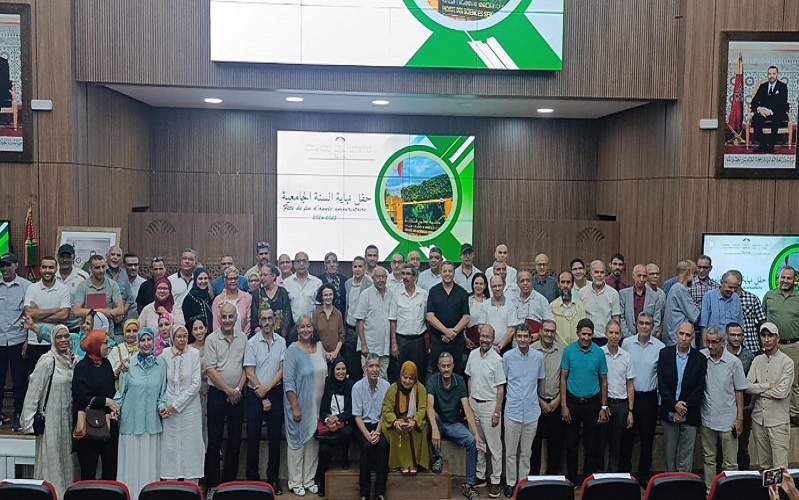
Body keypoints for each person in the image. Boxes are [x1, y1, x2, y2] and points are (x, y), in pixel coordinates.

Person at [20, 324, 76, 497]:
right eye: (59, 337)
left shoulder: (71, 361)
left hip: (67, 420)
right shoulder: (47, 361)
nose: (63, 340)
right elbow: (34, 391)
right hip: (50, 419)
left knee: (65, 461)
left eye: (66, 336)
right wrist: (28, 422)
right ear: (52, 340)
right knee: (50, 461)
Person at [114, 327, 167, 499]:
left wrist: (163, 407)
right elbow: (121, 393)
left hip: (151, 424)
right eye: (142, 340)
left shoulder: (161, 365)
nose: (146, 344)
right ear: (138, 343)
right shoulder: (128, 365)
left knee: (149, 464)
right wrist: (114, 409)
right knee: (131, 464)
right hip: (131, 423)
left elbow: (162, 393)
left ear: (153, 341)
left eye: (149, 340)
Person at [427, 352, 482, 500]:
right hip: (438, 422)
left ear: (453, 366)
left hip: (453, 424)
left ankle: (469, 485)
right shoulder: (432, 380)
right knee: (432, 416)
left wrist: (476, 434)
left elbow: (467, 408)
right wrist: (435, 429)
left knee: (471, 441)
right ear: (438, 367)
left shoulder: (459, 381)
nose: (446, 369)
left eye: (448, 366)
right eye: (443, 366)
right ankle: (437, 457)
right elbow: (429, 405)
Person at [560, 318, 609, 484]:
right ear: (578, 333)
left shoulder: (599, 353)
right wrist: (564, 405)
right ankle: (572, 480)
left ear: (593, 334)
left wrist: (603, 406)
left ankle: (588, 481)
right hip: (572, 402)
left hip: (593, 403)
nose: (586, 338)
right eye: (583, 334)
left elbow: (604, 381)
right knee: (571, 444)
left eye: (589, 334)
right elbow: (563, 378)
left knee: (591, 444)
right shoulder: (568, 351)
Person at [204, 303, 247, 487]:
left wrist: (237, 390)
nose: (227, 320)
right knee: (214, 440)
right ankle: (212, 484)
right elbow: (210, 370)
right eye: (224, 316)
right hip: (217, 395)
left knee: (235, 440)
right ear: (219, 318)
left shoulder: (243, 338)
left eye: (231, 316)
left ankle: (230, 483)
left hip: (238, 395)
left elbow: (247, 367)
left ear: (236, 318)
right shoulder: (211, 339)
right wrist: (228, 390)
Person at [283, 315, 327, 496]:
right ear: (297, 330)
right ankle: (295, 482)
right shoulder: (292, 350)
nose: (306, 329)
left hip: (318, 405)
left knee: (312, 442)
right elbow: (288, 382)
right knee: (297, 442)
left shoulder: (319, 347)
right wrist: (295, 406)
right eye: (302, 327)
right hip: (299, 404)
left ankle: (308, 479)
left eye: (309, 326)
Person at [244, 307, 286, 493]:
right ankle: (252, 480)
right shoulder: (251, 343)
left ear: (274, 321)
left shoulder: (282, 342)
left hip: (274, 392)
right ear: (259, 321)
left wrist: (267, 391)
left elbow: (282, 370)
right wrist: (261, 394)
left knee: (275, 438)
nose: (267, 322)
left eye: (270, 318)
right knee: (252, 437)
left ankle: (273, 479)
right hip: (254, 393)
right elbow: (249, 372)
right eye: (264, 319)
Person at [699, 326, 746, 490]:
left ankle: (730, 493)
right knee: (709, 459)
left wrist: (740, 419)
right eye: (708, 342)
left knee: (730, 462)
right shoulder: (701, 357)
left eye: (714, 342)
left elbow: (739, 391)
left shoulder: (734, 362)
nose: (710, 346)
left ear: (722, 342)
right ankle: (709, 492)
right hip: (707, 418)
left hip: (728, 419)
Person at [620, 312, 664, 486]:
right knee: (627, 439)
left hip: (649, 398)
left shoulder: (660, 347)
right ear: (636, 324)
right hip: (630, 397)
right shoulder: (627, 343)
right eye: (641, 323)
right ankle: (625, 475)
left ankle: (644, 476)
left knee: (647, 440)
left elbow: (660, 376)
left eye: (648, 323)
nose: (644, 326)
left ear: (652, 327)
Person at [502, 323, 545, 498]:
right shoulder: (507, 357)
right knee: (511, 452)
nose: (522, 339)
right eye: (519, 336)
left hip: (532, 412)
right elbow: (504, 382)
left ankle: (523, 484)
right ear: (515, 338)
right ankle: (511, 483)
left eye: (525, 336)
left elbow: (540, 381)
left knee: (526, 453)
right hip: (512, 411)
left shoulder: (538, 357)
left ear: (530, 338)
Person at [657, 322, 707, 472]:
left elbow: (699, 388)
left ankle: (684, 483)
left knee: (686, 457)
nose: (684, 338)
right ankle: (670, 483)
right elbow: (662, 384)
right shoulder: (665, 354)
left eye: (688, 335)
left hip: (690, 413)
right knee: (669, 455)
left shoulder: (700, 358)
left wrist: (683, 408)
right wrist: (674, 405)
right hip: (669, 411)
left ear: (692, 338)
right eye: (681, 334)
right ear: (676, 334)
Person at [159, 325, 204, 483]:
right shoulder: (165, 354)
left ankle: (191, 484)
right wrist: (165, 406)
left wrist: (176, 405)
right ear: (173, 337)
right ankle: (171, 484)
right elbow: (161, 381)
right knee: (170, 446)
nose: (182, 339)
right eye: (179, 336)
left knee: (191, 445)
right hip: (169, 408)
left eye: (185, 336)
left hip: (190, 408)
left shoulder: (194, 353)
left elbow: (196, 385)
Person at [746, 322, 794, 469]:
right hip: (758, 420)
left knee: (780, 468)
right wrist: (767, 386)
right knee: (764, 467)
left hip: (778, 421)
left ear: (777, 338)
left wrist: (758, 389)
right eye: (763, 335)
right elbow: (747, 386)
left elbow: (781, 392)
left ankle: (781, 487)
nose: (766, 339)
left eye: (770, 336)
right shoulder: (757, 360)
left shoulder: (787, 362)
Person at [72, 330, 119, 480]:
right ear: (95, 345)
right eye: (105, 343)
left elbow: (111, 391)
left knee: (110, 470)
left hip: (108, 424)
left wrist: (113, 408)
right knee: (88, 471)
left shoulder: (106, 364)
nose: (108, 346)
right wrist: (105, 401)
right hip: (88, 426)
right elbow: (80, 397)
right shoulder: (81, 367)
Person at [465, 324, 505, 497]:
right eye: (482, 336)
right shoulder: (472, 355)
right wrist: (469, 401)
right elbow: (469, 379)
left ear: (493, 338)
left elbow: (501, 388)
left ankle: (495, 481)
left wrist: (497, 412)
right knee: (479, 444)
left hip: (490, 406)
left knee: (494, 446)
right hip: (474, 403)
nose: (484, 339)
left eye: (488, 337)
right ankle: (480, 476)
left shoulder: (497, 360)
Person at [762, 266, 799, 420]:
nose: (785, 280)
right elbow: (762, 318)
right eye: (783, 277)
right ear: (778, 278)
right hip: (772, 346)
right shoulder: (769, 295)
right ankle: (772, 412)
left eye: (789, 278)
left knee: (794, 381)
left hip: (793, 345)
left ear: (794, 280)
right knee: (772, 379)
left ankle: (793, 414)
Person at [0, 252, 32, 431]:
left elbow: (30, 315)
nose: (5, 268)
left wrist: (28, 340)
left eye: (8, 265)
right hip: (0, 340)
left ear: (16, 265)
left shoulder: (27, 286)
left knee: (20, 380)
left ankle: (18, 413)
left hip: (18, 340)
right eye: (2, 265)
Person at [598, 321, 635, 473]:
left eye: (616, 333)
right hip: (603, 404)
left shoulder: (626, 356)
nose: (614, 336)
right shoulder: (599, 353)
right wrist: (602, 406)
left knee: (617, 444)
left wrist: (630, 411)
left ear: (620, 336)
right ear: (606, 334)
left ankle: (614, 476)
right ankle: (600, 476)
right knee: (601, 442)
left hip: (621, 405)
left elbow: (630, 384)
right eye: (611, 332)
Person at [352, 354, 390, 500]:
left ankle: (380, 491)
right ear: (365, 368)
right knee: (366, 447)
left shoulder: (386, 386)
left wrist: (378, 432)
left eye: (377, 366)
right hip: (363, 425)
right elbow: (357, 416)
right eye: (371, 366)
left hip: (380, 424)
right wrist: (367, 435)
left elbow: (385, 413)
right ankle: (364, 492)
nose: (374, 369)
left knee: (383, 446)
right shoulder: (357, 387)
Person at [23, 256, 70, 371]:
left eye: (51, 267)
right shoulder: (32, 288)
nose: (47, 270)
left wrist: (37, 316)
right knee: (35, 377)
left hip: (56, 342)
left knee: (56, 378)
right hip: (35, 342)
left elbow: (64, 315)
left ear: (56, 269)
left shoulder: (64, 289)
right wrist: (55, 310)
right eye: (44, 267)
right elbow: (28, 312)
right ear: (40, 269)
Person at [316, 358, 354, 496]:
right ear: (333, 371)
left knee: (347, 432)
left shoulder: (351, 385)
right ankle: (321, 483)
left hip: (344, 423)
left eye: (343, 369)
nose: (341, 372)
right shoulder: (328, 385)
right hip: (329, 426)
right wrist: (328, 420)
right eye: (338, 369)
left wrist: (339, 418)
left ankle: (344, 456)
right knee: (323, 451)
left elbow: (351, 410)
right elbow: (322, 410)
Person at [530, 320, 564, 477]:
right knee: (534, 442)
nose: (549, 334)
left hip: (555, 402)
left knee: (555, 443)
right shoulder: (531, 350)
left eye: (552, 331)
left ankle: (552, 477)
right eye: (546, 330)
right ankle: (534, 476)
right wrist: (540, 401)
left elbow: (565, 378)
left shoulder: (562, 351)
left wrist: (558, 399)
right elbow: (528, 380)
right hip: (536, 402)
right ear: (540, 331)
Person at [383, 361, 430, 474]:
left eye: (411, 378)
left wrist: (414, 421)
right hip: (396, 420)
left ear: (415, 379)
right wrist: (395, 422)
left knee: (418, 430)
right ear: (401, 376)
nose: (407, 381)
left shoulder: (420, 389)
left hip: (414, 420)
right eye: (405, 377)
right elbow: (387, 409)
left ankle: (415, 464)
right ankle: (400, 464)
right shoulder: (393, 388)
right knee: (397, 431)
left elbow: (422, 409)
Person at [426, 261, 471, 375]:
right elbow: (430, 316)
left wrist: (453, 333)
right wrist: (446, 331)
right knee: (437, 373)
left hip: (456, 342)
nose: (447, 273)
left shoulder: (462, 292)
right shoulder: (433, 291)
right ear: (441, 273)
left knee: (456, 373)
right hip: (438, 341)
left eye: (450, 271)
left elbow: (466, 317)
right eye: (445, 271)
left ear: (454, 273)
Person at [389, 263, 429, 378]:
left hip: (418, 341)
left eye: (408, 274)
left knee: (419, 372)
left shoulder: (423, 294)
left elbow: (428, 319)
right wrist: (394, 344)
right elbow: (393, 321)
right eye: (403, 274)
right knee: (400, 373)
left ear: (415, 276)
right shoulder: (396, 294)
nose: (405, 277)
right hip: (401, 340)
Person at [726, 322, 755, 470]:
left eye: (739, 335)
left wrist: (749, 407)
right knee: (721, 449)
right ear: (726, 336)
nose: (736, 338)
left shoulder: (749, 357)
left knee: (742, 448)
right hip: (723, 408)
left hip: (743, 409)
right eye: (733, 335)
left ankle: (745, 479)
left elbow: (753, 383)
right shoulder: (720, 353)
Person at [355, 266, 392, 378]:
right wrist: (363, 345)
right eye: (378, 277)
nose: (381, 280)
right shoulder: (365, 294)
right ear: (373, 278)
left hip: (385, 348)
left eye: (383, 277)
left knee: (383, 380)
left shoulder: (391, 294)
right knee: (368, 379)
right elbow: (360, 321)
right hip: (369, 347)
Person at [73, 254, 124, 329]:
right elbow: (76, 311)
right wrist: (100, 311)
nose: (101, 270)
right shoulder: (83, 286)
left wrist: (108, 312)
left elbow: (120, 309)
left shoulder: (113, 284)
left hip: (107, 331)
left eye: (103, 267)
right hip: (87, 330)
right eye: (97, 268)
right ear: (90, 269)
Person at [579, 260, 621, 346]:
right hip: (587, 339)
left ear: (605, 274)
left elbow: (615, 319)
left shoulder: (613, 294)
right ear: (591, 274)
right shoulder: (582, 293)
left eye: (602, 272)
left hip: (606, 340)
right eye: (596, 272)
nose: (599, 275)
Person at [344, 257, 373, 381]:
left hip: (364, 330)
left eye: (360, 266)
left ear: (365, 268)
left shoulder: (370, 284)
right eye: (355, 266)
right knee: (352, 365)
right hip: (350, 329)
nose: (357, 269)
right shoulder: (348, 283)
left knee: (365, 364)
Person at [750, 65, 789, 153]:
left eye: (773, 74)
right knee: (756, 118)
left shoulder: (783, 86)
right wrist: (759, 109)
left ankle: (771, 147)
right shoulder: (763, 86)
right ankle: (762, 145)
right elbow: (754, 102)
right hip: (763, 112)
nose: (771, 76)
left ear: (777, 74)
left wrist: (770, 111)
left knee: (776, 120)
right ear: (767, 75)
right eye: (769, 74)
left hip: (776, 113)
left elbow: (783, 104)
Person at [619, 264, 663, 338]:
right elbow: (621, 318)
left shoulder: (655, 296)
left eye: (644, 276)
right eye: (639, 276)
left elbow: (656, 321)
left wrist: (647, 338)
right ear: (633, 276)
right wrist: (629, 338)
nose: (642, 279)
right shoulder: (623, 294)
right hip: (627, 338)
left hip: (648, 339)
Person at [251, 263, 293, 339]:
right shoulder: (257, 293)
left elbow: (288, 315)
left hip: (281, 337)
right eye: (261, 275)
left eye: (265, 275)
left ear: (273, 276)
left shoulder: (282, 292)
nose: (262, 278)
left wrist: (282, 336)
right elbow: (254, 318)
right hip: (261, 337)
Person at [728, 269, 766, 354]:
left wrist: (764, 342)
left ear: (739, 281)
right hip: (729, 349)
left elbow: (762, 321)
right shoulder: (724, 299)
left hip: (751, 346)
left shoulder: (752, 298)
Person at [664, 260, 700, 346]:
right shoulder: (680, 289)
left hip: (673, 336)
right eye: (694, 274)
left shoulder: (675, 287)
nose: (695, 278)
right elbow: (694, 316)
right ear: (689, 272)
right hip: (679, 338)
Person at [511, 269, 553, 341]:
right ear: (517, 283)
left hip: (535, 341)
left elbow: (550, 322)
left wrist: (539, 334)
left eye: (528, 280)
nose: (525, 283)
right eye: (522, 281)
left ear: (532, 282)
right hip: (516, 341)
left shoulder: (541, 300)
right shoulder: (513, 299)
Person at [699, 271, 743, 335]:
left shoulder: (736, 298)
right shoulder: (709, 296)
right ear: (722, 283)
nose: (732, 290)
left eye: (735, 288)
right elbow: (703, 325)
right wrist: (704, 341)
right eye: (730, 287)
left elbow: (740, 324)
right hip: (713, 339)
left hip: (732, 340)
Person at [284, 251, 323, 324]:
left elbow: (319, 308)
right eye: (298, 261)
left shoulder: (317, 283)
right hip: (292, 326)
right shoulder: (286, 283)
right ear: (294, 264)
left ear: (308, 264)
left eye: (304, 261)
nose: (301, 264)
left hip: (311, 325)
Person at [212, 267, 253, 336]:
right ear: (225, 280)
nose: (233, 281)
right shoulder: (218, 300)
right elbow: (216, 324)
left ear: (238, 279)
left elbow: (249, 322)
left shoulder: (247, 298)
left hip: (242, 338)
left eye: (235, 278)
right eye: (230, 279)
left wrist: (243, 338)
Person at [550, 271, 586, 349]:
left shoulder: (580, 305)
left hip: (578, 349)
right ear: (558, 284)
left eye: (568, 282)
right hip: (559, 349)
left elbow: (583, 328)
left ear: (572, 285)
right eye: (562, 282)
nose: (565, 285)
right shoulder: (552, 306)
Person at [190, 316, 210, 445]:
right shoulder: (188, 349)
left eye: (201, 328)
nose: (199, 332)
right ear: (191, 332)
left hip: (210, 392)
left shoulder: (212, 345)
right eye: (195, 329)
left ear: (206, 329)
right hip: (195, 395)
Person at [313, 284, 345, 362]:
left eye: (330, 294)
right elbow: (314, 335)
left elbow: (342, 335)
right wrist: (324, 352)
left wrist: (335, 352)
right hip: (319, 354)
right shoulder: (316, 313)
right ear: (321, 297)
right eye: (325, 295)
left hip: (335, 355)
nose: (328, 297)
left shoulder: (338, 314)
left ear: (333, 296)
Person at [487, 275, 516, 351]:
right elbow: (481, 327)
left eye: (499, 285)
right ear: (490, 287)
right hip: (488, 346)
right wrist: (491, 346)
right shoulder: (485, 305)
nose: (497, 288)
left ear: (504, 286)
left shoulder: (511, 305)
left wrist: (499, 346)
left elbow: (511, 330)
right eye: (494, 286)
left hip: (506, 348)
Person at [108, 319, 140, 383]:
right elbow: (108, 374)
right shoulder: (116, 350)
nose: (131, 334)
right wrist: (119, 369)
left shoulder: (143, 350)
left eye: (135, 331)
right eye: (128, 331)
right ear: (124, 332)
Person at [182, 267, 213, 334]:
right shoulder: (189, 299)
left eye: (205, 278)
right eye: (200, 279)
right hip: (196, 336)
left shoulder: (208, 296)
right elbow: (188, 322)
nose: (203, 281)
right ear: (195, 280)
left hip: (210, 335)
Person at [466, 273, 490, 351]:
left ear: (485, 286)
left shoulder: (489, 301)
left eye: (481, 284)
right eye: (476, 283)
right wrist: (465, 339)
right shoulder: (467, 299)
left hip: (486, 340)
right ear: (472, 285)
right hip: (469, 340)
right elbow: (462, 319)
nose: (478, 286)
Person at [645, 262, 667, 336]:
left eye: (657, 274)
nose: (655, 276)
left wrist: (659, 331)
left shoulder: (662, 293)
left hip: (658, 334)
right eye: (652, 274)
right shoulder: (642, 292)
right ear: (646, 275)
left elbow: (663, 315)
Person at [122, 253, 146, 320]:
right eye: (130, 265)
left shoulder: (144, 284)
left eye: (135, 265)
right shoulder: (118, 283)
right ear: (124, 265)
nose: (133, 268)